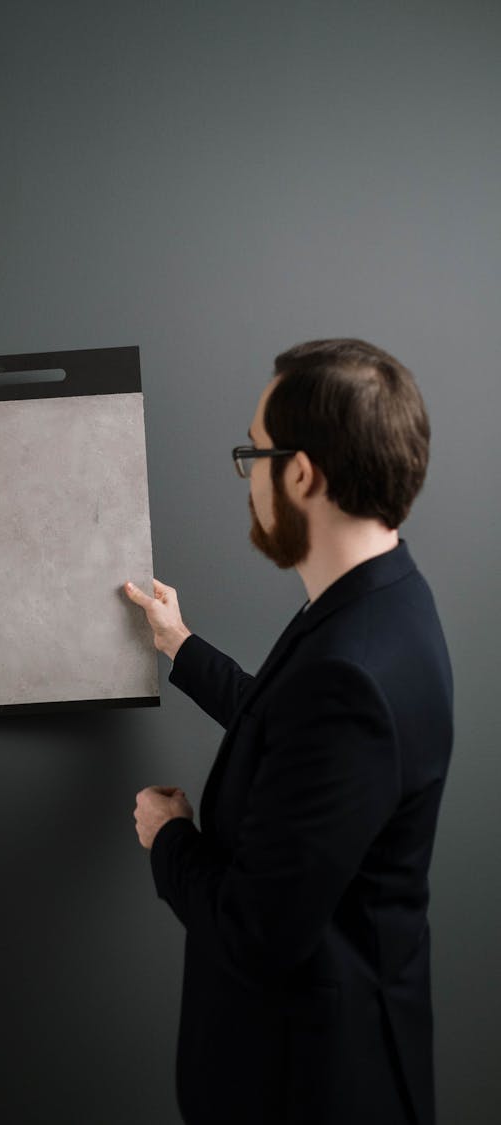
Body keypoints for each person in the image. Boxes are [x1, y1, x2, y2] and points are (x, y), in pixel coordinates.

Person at [124, 338, 453, 1125]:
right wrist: (181, 644)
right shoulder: (383, 600)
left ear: (299, 472)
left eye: (253, 452)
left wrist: (169, 837)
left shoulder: (351, 670)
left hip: (311, 1088)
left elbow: (254, 932)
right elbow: (293, 734)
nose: (251, 479)